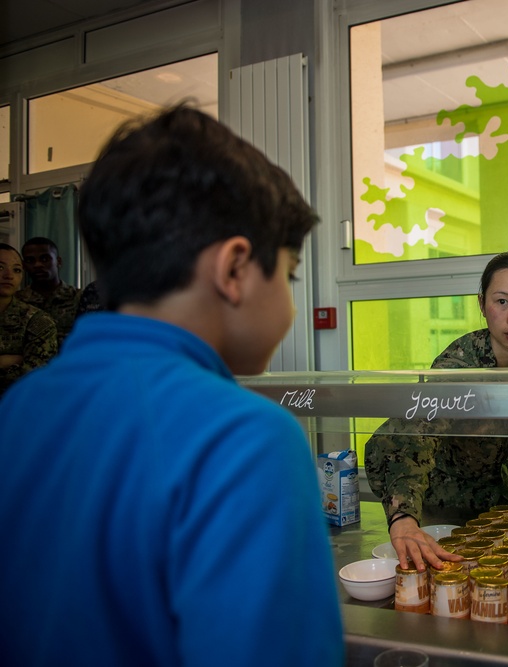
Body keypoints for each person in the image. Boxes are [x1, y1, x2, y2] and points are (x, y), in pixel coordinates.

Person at [0, 106, 344, 666]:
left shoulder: (20, 407)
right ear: (234, 269)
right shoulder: (246, 439)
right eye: (290, 272)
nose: (290, 299)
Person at [365, 249, 508, 570]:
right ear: (482, 305)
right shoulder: (458, 365)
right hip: (440, 511)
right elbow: (411, 438)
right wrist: (403, 517)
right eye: (502, 301)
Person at [0, 243, 58, 396]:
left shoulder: (37, 321)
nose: (8, 275)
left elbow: (37, 376)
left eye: (17, 270)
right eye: (0, 268)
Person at [18, 236, 82, 348]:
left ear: (58, 261)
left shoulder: (80, 298)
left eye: (44, 259)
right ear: (24, 266)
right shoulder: (18, 301)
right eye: (30, 260)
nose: (37, 265)